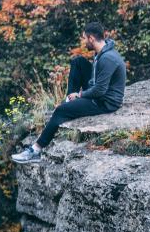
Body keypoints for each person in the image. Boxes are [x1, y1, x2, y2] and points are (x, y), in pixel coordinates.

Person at [11, 22, 127, 163]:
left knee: (60, 111)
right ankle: (69, 100)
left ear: (91, 38)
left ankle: (35, 150)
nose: (83, 41)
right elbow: (96, 80)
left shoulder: (108, 58)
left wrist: (80, 95)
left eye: (84, 38)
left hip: (105, 102)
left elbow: (100, 90)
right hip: (100, 92)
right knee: (78, 62)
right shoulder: (102, 50)